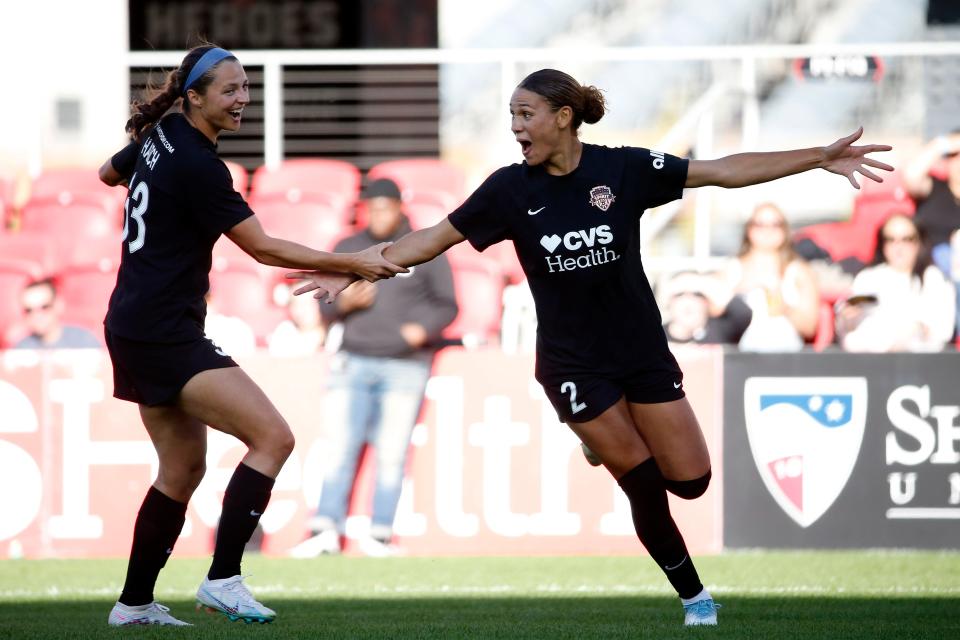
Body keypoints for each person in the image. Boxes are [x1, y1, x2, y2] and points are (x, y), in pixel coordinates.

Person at [288, 68, 893, 627]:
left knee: (692, 482)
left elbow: (723, 170)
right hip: (572, 365)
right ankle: (695, 598)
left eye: (526, 114)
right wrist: (354, 268)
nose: (516, 127)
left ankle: (598, 444)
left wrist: (818, 157)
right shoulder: (506, 191)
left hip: (641, 352)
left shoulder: (623, 170)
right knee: (643, 484)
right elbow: (431, 239)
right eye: (511, 115)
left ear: (563, 117)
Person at [96, 44, 403, 627]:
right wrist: (351, 263)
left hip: (135, 320)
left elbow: (108, 174)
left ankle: (133, 603)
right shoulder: (196, 163)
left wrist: (142, 152)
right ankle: (224, 580)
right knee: (273, 437)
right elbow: (261, 248)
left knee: (182, 469)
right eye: (231, 90)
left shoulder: (163, 138)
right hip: (161, 328)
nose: (244, 99)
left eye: (245, 87)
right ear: (195, 97)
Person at [290, 178, 458, 558]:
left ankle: (380, 533)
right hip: (353, 359)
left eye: (386, 206)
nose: (379, 214)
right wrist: (345, 306)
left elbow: (448, 304)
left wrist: (422, 329)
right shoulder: (348, 248)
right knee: (339, 448)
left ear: (400, 207)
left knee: (392, 453)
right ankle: (324, 530)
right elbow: (324, 306)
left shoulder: (423, 246)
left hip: (406, 364)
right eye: (372, 207)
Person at [836, 213, 955, 352]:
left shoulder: (934, 279)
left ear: (919, 242)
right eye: (890, 239)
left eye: (907, 239)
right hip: (870, 359)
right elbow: (849, 334)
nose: (898, 247)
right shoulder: (868, 278)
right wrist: (846, 317)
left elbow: (942, 332)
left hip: (919, 362)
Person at [724, 202, 821, 352]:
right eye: (760, 224)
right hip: (740, 353)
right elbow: (713, 310)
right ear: (749, 229)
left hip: (787, 351)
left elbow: (809, 327)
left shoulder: (800, 271)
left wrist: (785, 308)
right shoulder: (732, 267)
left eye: (776, 224)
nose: (768, 230)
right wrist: (741, 287)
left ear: (785, 230)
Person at [661, 271, 752, 345]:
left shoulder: (720, 331)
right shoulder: (654, 336)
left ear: (707, 300)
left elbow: (743, 313)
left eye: (697, 294)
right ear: (669, 300)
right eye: (679, 294)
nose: (688, 300)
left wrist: (701, 282)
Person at [13, 278, 102, 349]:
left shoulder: (84, 342)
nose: (37, 315)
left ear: (58, 305)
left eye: (44, 307)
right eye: (29, 310)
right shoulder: (21, 350)